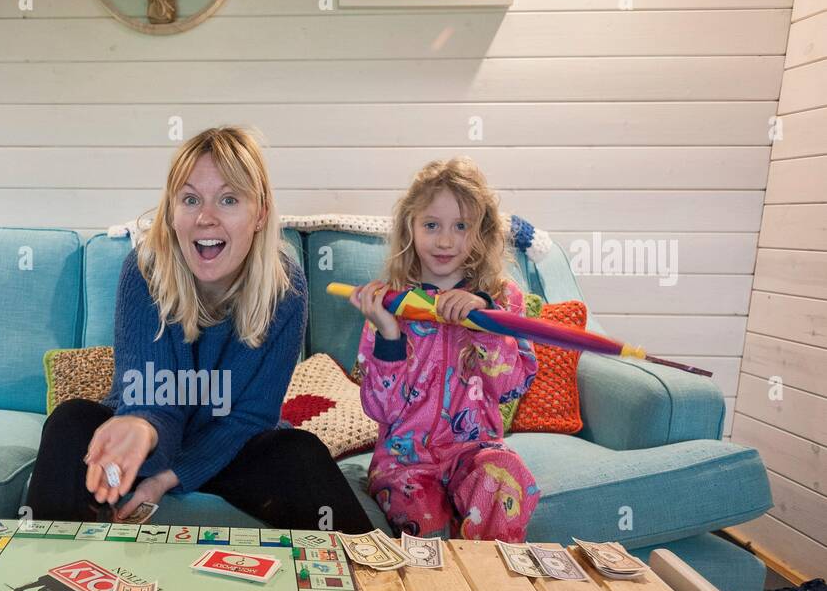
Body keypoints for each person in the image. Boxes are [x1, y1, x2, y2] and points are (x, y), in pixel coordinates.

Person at [27, 127, 373, 533]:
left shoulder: (287, 290)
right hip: (149, 441)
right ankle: (39, 574)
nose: (206, 218)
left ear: (259, 213)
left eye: (228, 200)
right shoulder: (144, 271)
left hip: (230, 448)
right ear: (172, 213)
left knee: (300, 451)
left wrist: (168, 480)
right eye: (190, 199)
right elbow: (151, 396)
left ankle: (376, 582)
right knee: (70, 421)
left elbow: (248, 418)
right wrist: (140, 427)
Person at [349, 157, 539, 541]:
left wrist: (487, 325)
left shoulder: (503, 301)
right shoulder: (390, 303)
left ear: (481, 233)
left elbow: (512, 387)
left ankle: (492, 586)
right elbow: (379, 409)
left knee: (504, 475)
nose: (445, 240)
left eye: (461, 226)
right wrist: (388, 334)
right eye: (431, 225)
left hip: (475, 451)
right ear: (410, 228)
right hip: (405, 461)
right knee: (426, 523)